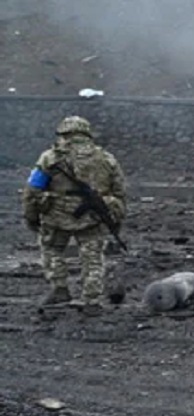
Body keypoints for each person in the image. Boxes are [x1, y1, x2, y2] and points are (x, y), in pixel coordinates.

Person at [21, 115, 127, 316]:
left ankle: (59, 289)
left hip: (56, 216)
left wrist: (31, 216)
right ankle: (91, 300)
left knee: (52, 250)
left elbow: (32, 190)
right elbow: (119, 191)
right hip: (92, 217)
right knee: (93, 258)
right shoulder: (106, 158)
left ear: (63, 134)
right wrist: (117, 219)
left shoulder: (49, 158)